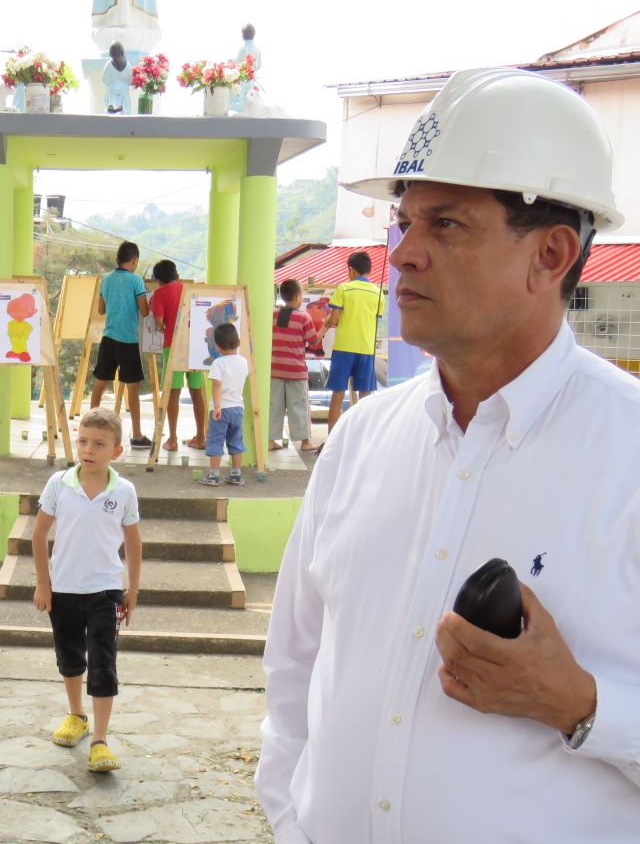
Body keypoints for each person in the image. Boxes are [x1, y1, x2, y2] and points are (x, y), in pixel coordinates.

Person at [256, 67, 640, 843]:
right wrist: (292, 821)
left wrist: (580, 705)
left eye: (447, 225)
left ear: (552, 254)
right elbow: (296, 671)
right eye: (404, 223)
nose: (403, 254)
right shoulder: (361, 438)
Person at [32, 407, 142, 773]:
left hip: (105, 591)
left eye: (99, 444)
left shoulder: (124, 491)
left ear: (116, 451)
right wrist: (44, 583)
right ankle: (76, 715)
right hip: (63, 589)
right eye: (83, 441)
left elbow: (133, 541)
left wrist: (133, 589)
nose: (88, 450)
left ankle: (100, 740)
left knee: (103, 662)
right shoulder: (59, 484)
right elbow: (39, 534)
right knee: (69, 656)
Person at [316, 249, 384, 434]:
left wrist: (328, 324)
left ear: (351, 270)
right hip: (366, 349)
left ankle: (331, 438)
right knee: (365, 396)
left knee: (338, 395)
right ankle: (364, 437)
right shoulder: (378, 293)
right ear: (369, 270)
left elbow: (333, 320)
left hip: (344, 349)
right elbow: (374, 318)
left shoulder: (344, 289)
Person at [90, 240, 151, 447]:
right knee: (132, 387)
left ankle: (90, 428)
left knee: (100, 382)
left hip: (108, 338)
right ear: (134, 261)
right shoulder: (136, 281)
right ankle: (137, 435)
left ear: (117, 259)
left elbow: (101, 310)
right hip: (128, 340)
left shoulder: (106, 279)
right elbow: (144, 311)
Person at [150, 258, 207, 450]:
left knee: (172, 392)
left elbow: (159, 321)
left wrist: (160, 326)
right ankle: (201, 438)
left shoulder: (160, 293)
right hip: (196, 346)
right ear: (177, 275)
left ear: (158, 280)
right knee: (196, 391)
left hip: (173, 345)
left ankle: (173, 439)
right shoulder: (190, 290)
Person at [269, 279, 320, 453]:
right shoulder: (303, 317)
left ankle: (270, 439)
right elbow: (313, 341)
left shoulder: (272, 314)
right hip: (296, 371)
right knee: (299, 405)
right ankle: (305, 441)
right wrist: (326, 327)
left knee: (274, 405)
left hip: (274, 369)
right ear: (298, 296)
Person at [200, 323, 248, 486]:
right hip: (238, 408)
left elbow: (216, 385)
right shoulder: (243, 362)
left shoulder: (218, 363)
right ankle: (236, 474)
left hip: (221, 410)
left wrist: (217, 407)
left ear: (217, 346)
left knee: (215, 441)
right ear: (238, 342)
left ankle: (213, 475)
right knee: (236, 441)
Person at [102, 41, 132, 113]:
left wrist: (114, 83)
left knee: (112, 108)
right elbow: (130, 81)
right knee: (123, 109)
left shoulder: (108, 65)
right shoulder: (128, 65)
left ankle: (115, 109)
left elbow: (105, 80)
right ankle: (120, 109)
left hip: (112, 90)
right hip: (123, 90)